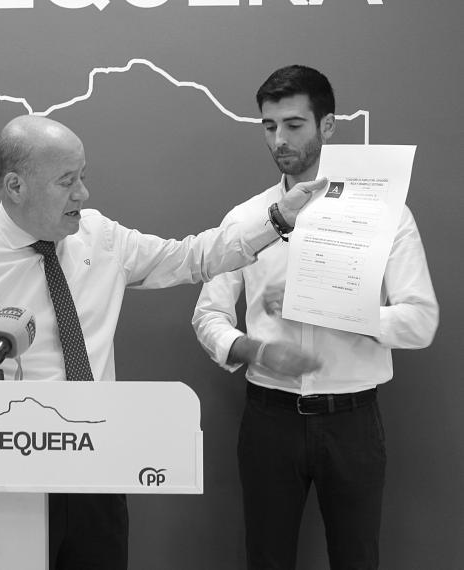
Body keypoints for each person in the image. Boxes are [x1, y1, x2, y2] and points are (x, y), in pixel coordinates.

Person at [0, 114, 327, 570]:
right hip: (9, 481)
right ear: (15, 186)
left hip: (98, 470)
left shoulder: (100, 237)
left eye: (83, 177)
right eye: (67, 181)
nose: (83, 194)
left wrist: (277, 219)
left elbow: (192, 257)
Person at [192, 65, 438, 570]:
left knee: (357, 559)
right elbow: (208, 316)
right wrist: (255, 350)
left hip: (352, 421)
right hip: (268, 418)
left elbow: (420, 322)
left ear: (327, 125)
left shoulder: (387, 214)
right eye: (269, 126)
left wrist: (330, 304)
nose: (279, 140)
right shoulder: (246, 220)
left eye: (293, 125)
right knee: (266, 558)